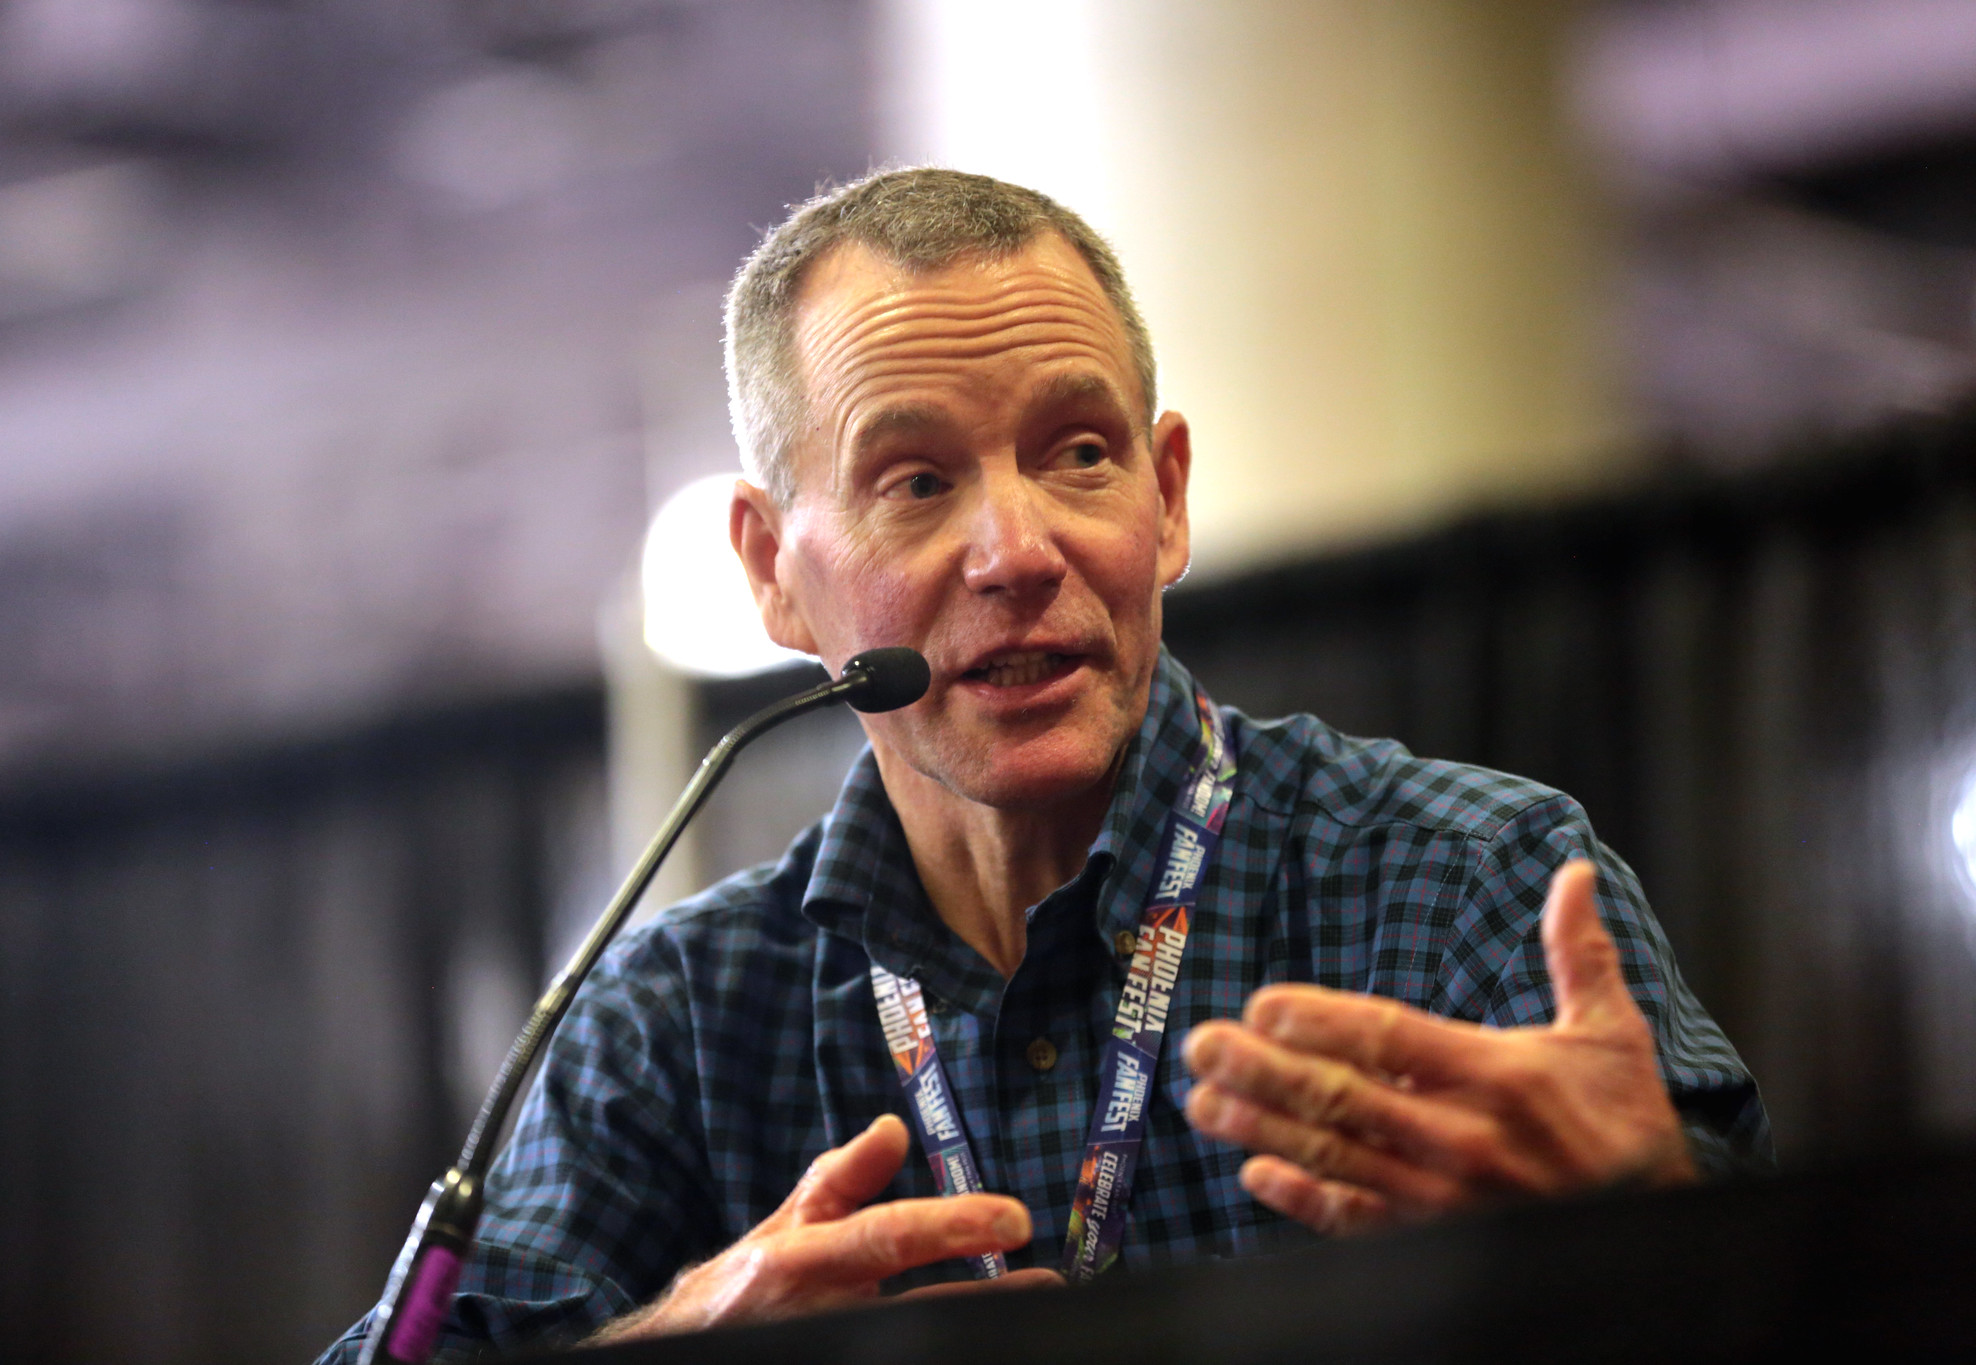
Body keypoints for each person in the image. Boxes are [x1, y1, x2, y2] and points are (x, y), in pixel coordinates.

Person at [319, 168, 1770, 1362]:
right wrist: (677, 1339)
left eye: (1079, 452)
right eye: (918, 481)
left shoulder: (1464, 880)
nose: (1019, 553)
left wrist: (1668, 1226)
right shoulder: (678, 1025)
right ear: (774, 572)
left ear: (1169, 495)